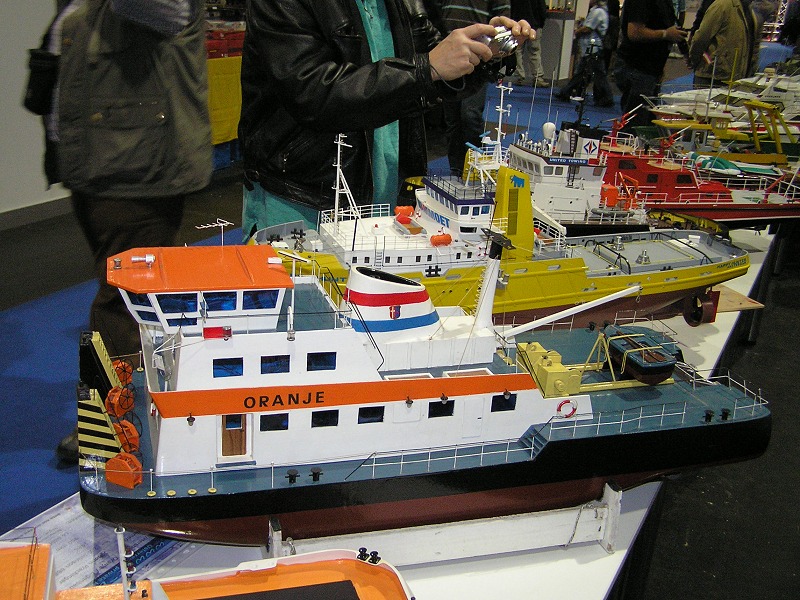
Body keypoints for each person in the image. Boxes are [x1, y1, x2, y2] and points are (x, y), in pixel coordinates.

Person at [52, 0, 212, 462]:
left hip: (137, 171)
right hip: (104, 164)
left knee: (121, 305)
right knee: (122, 302)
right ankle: (129, 417)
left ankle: (113, 428)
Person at [238, 0, 535, 239]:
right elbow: (314, 93)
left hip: (385, 195)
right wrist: (426, 68)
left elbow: (434, 68)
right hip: (301, 199)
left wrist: (483, 52)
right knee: (298, 293)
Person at [439, 1, 511, 175]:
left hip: (478, 57)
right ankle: (457, 169)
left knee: (469, 115)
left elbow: (503, 20)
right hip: (447, 52)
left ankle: (476, 168)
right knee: (452, 119)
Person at [613, 0, 688, 130]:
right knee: (635, 126)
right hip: (638, 67)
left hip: (649, 69)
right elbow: (634, 32)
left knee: (646, 124)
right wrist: (666, 34)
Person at [556, 0, 614, 107]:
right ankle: (566, 92)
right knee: (583, 72)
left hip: (593, 47)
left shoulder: (598, 12)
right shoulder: (599, 11)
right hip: (591, 47)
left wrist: (577, 31)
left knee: (598, 74)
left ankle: (607, 98)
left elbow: (588, 28)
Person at [688, 0, 759, 88]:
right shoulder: (722, 5)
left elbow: (753, 44)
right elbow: (700, 39)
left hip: (735, 78)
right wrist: (697, 61)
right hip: (712, 77)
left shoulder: (749, 10)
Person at [511, 0, 550, 87]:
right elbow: (542, 9)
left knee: (517, 51)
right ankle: (538, 78)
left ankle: (519, 77)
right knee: (534, 52)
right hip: (535, 24)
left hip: (518, 24)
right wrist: (540, 23)